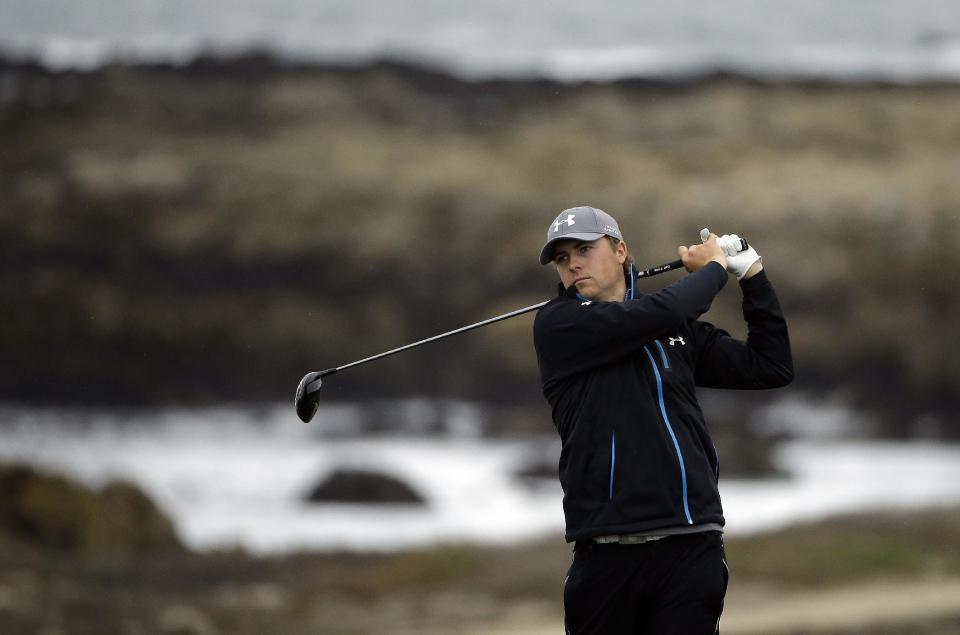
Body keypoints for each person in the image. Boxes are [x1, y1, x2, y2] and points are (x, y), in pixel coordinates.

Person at [533, 205, 793, 634]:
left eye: (584, 248)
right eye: (562, 258)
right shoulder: (559, 325)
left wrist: (752, 277)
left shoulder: (677, 332)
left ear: (620, 251)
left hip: (691, 548)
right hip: (607, 555)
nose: (573, 263)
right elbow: (656, 315)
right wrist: (712, 268)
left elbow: (770, 366)